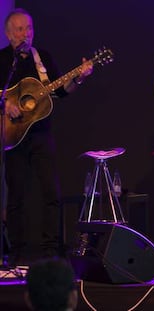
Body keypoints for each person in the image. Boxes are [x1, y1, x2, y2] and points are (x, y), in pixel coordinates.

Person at [0, 8, 93, 265]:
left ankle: (50, 251)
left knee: (50, 192)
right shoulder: (2, 59)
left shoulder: (43, 58)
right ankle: (15, 253)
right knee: (16, 195)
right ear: (9, 34)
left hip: (41, 133)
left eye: (29, 28)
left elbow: (62, 91)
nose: (26, 33)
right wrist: (6, 104)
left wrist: (79, 79)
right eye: (20, 29)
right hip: (12, 135)